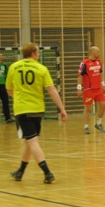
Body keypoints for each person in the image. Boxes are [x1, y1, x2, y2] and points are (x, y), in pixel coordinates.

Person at [7, 43, 68, 184]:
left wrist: (21, 97)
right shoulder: (42, 68)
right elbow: (51, 89)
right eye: (38, 52)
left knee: (32, 141)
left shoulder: (14, 67)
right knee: (30, 141)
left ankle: (47, 172)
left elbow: (9, 89)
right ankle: (20, 171)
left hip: (22, 109)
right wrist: (62, 109)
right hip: (38, 109)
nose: (39, 54)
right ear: (33, 53)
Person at [77, 46, 105, 134]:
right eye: (98, 52)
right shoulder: (84, 63)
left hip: (98, 89)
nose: (99, 53)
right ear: (93, 52)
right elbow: (80, 76)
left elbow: (100, 74)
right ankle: (86, 126)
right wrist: (79, 88)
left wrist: (103, 84)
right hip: (89, 89)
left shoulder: (99, 62)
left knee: (104, 105)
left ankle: (98, 122)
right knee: (88, 108)